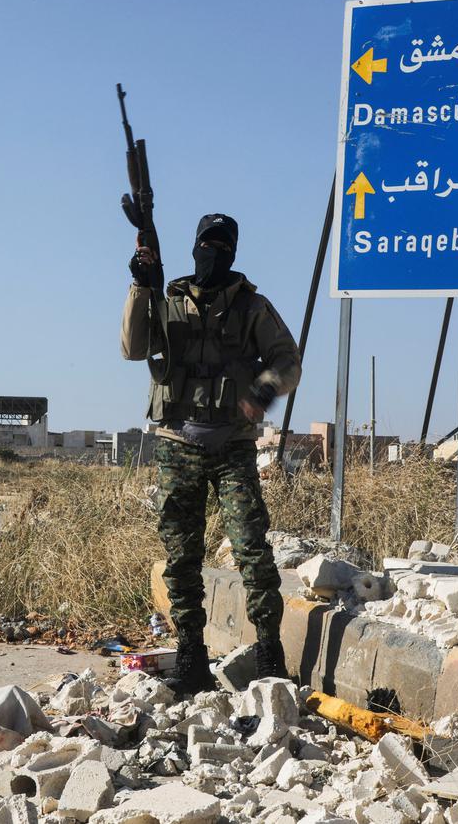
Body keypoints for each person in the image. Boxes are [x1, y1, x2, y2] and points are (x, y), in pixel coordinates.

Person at [120, 213, 302, 695]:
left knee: (251, 550)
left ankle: (269, 655)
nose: (213, 253)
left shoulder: (252, 307)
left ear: (234, 252)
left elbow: (289, 360)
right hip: (177, 443)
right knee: (181, 557)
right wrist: (141, 287)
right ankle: (191, 657)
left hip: (232, 446)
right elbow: (133, 348)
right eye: (207, 243)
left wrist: (263, 389)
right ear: (195, 246)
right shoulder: (169, 299)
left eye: (223, 245)